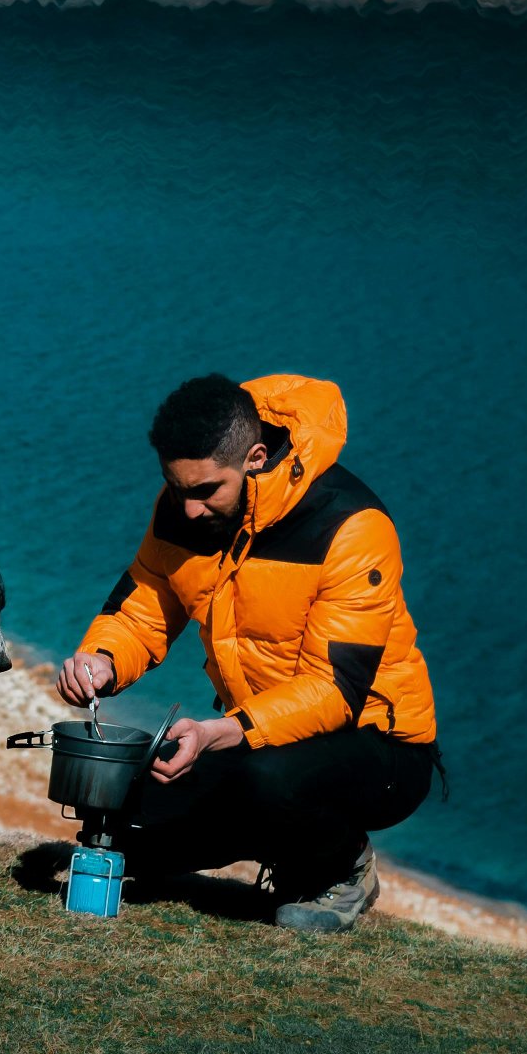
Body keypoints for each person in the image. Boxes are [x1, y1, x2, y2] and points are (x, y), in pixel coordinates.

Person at [57, 373, 442, 931]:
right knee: (126, 812)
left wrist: (219, 733)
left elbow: (335, 691)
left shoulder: (353, 527)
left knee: (271, 785)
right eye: (176, 487)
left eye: (205, 490)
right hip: (258, 735)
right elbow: (145, 607)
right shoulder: (184, 505)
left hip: (379, 745)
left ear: (255, 458)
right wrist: (103, 661)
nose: (187, 509)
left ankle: (341, 867)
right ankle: (271, 832)